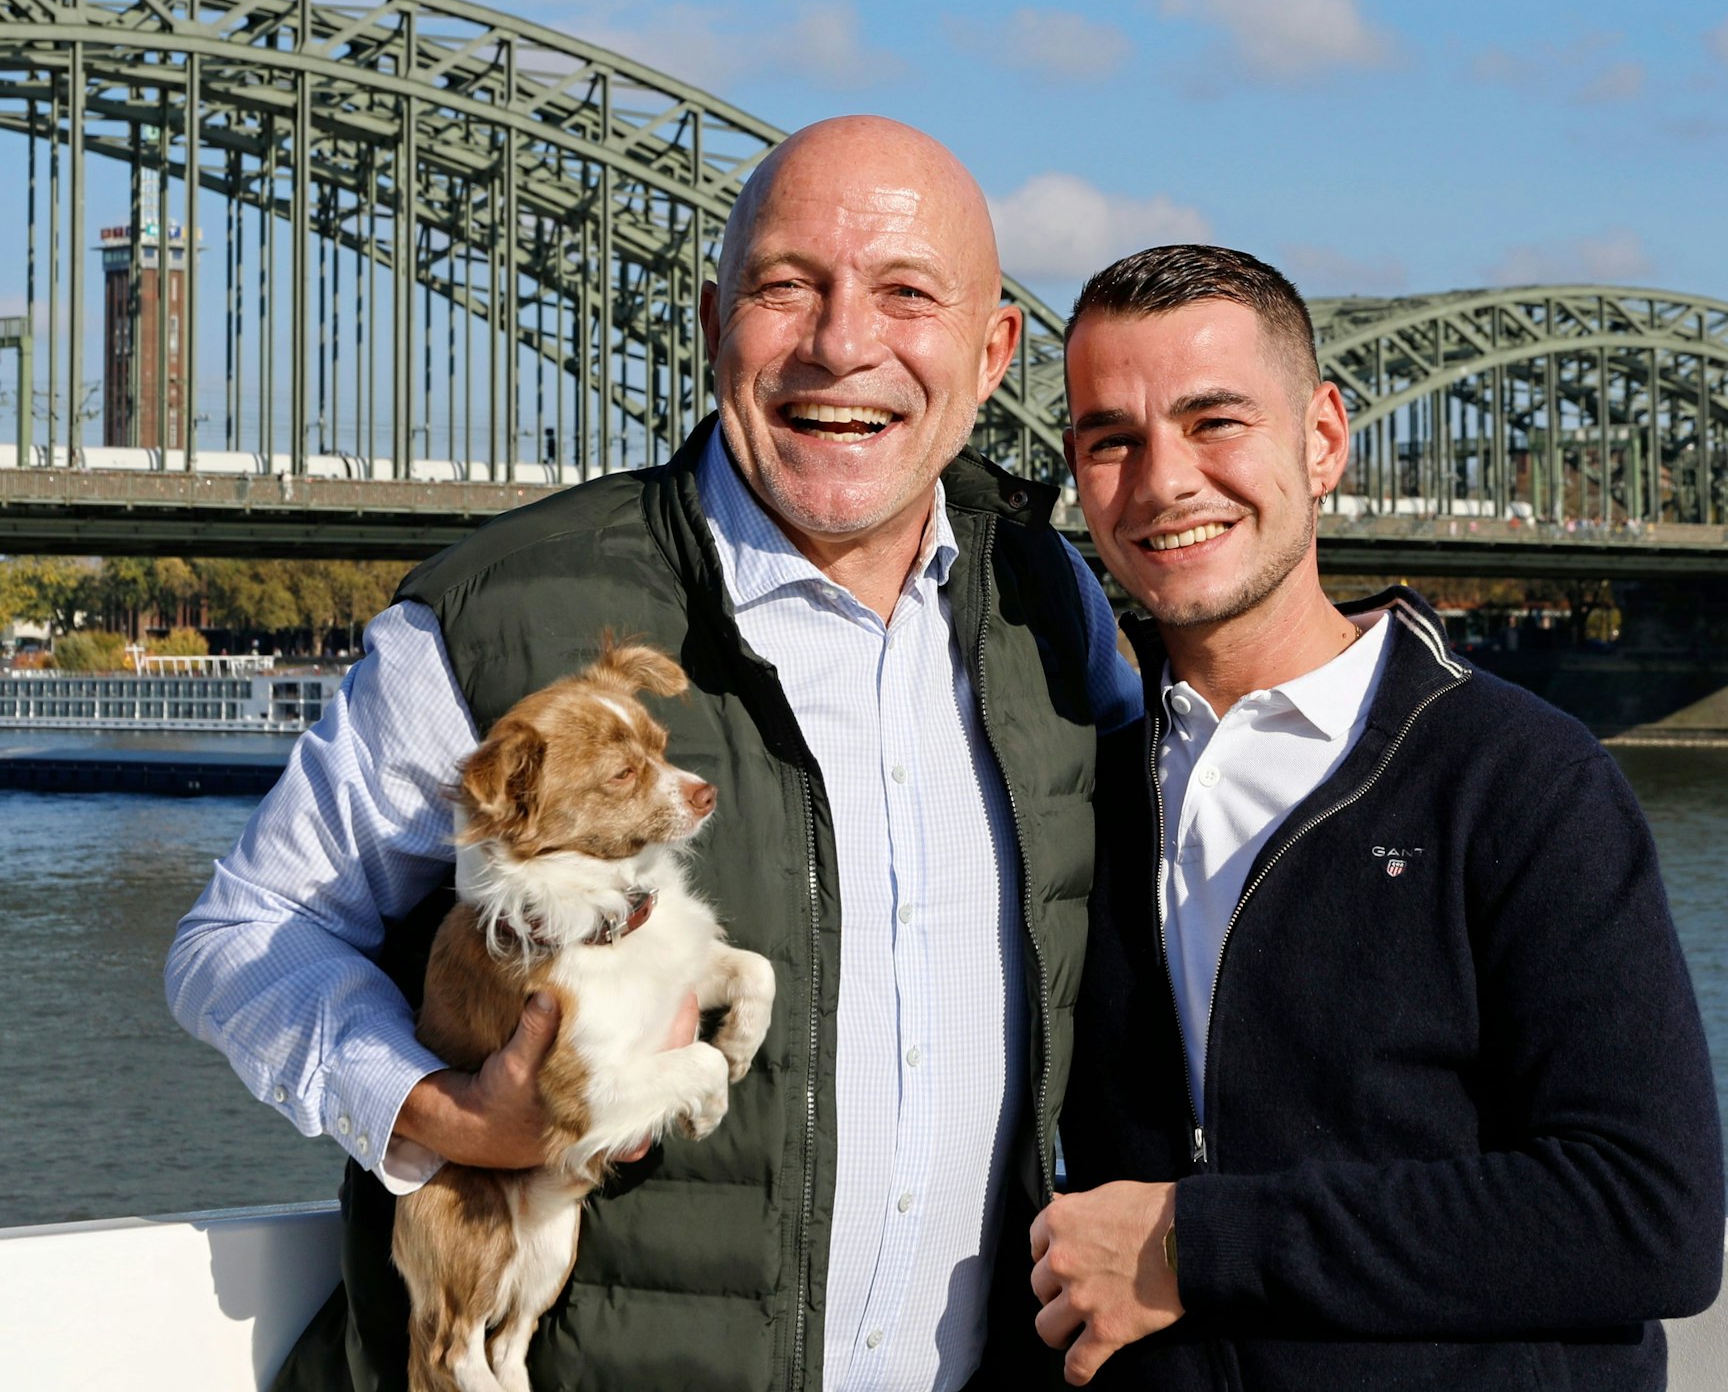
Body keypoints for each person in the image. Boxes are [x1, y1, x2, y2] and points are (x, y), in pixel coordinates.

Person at [166, 115, 1141, 1391]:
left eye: (907, 293)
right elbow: (243, 941)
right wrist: (438, 1113)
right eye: (786, 286)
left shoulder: (1049, 609)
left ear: (991, 348)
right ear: (708, 319)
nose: (843, 344)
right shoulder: (497, 618)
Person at [1033, 244, 1724, 1389]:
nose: (1161, 483)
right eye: (1113, 439)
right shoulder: (1074, 779)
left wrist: (1195, 1247)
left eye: (1215, 422)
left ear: (1322, 440)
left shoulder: (1517, 777)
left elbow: (1644, 1214)